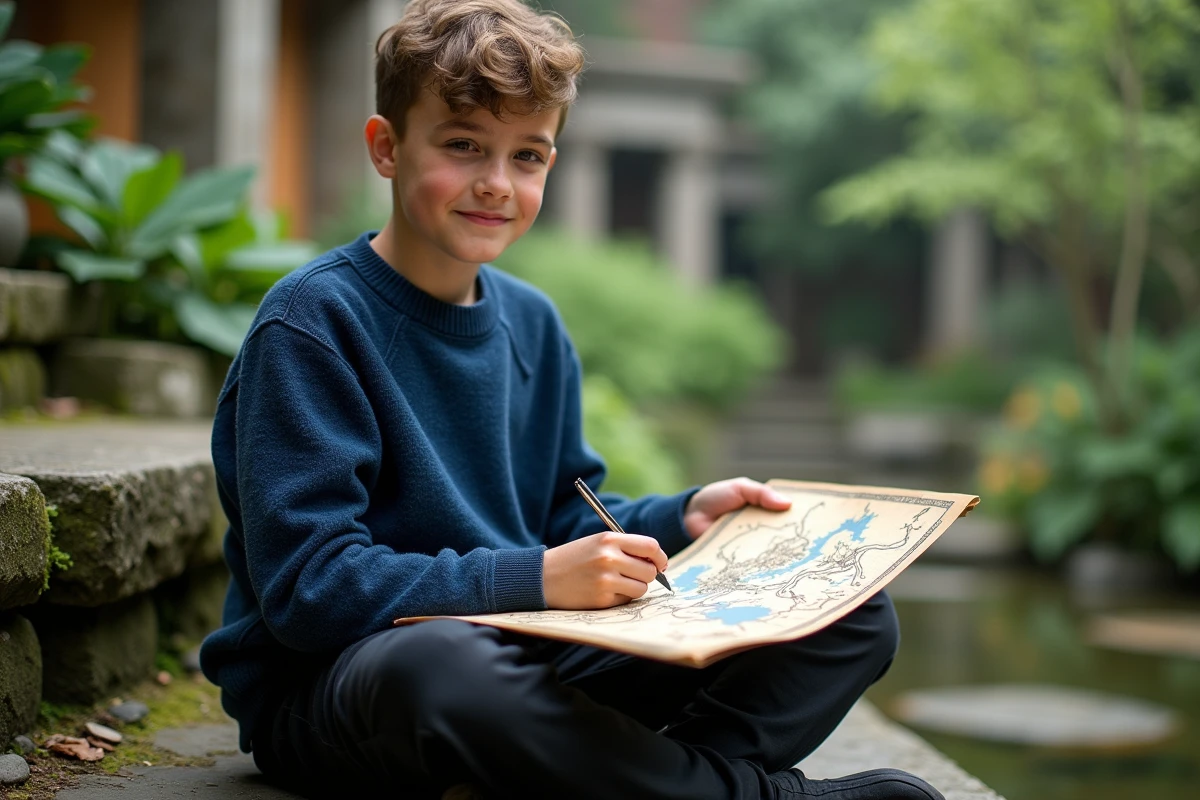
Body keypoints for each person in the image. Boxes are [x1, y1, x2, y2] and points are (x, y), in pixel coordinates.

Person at [199, 1, 944, 798]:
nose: (495, 183)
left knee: (853, 611)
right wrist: (536, 581)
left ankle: (609, 782)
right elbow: (310, 590)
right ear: (387, 148)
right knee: (443, 661)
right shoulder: (313, 323)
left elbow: (563, 512)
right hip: (348, 689)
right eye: (462, 146)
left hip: (524, 655)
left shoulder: (532, 324)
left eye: (528, 156)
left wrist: (681, 520)